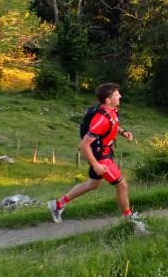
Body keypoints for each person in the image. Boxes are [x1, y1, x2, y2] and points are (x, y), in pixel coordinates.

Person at [48, 82, 137, 223]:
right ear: (108, 100)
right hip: (101, 158)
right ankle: (129, 218)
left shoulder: (111, 110)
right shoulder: (100, 119)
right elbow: (83, 145)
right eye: (116, 94)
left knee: (92, 184)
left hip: (104, 153)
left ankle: (58, 205)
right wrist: (95, 165)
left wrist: (122, 132)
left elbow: (113, 123)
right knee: (122, 185)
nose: (120, 95)